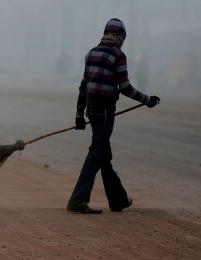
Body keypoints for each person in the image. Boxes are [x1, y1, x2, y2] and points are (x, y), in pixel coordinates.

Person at [67, 18, 160, 214]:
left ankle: (118, 200)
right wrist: (147, 99)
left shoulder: (91, 53)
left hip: (91, 111)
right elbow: (125, 87)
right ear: (121, 36)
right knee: (96, 154)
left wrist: (78, 115)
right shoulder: (118, 55)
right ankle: (77, 200)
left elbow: (83, 87)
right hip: (105, 111)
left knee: (103, 154)